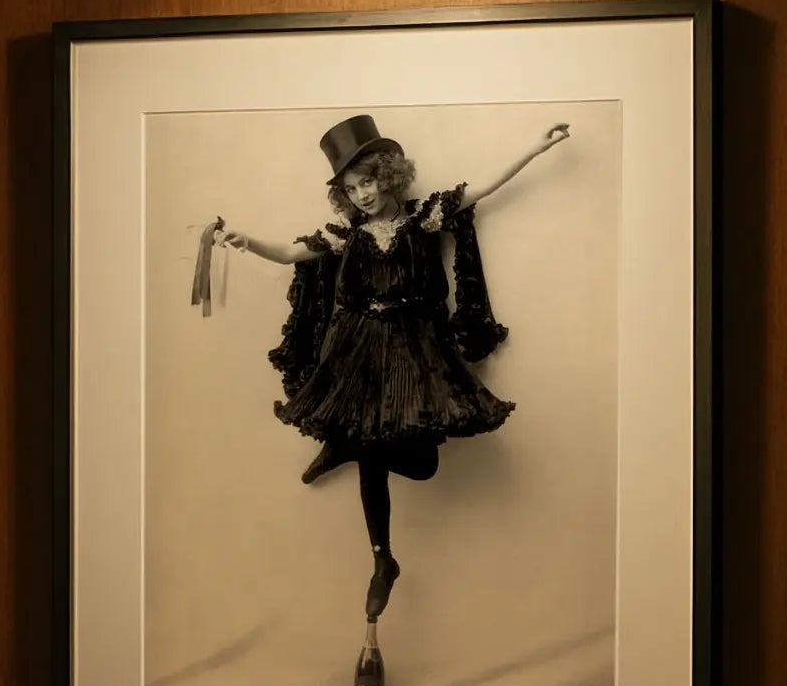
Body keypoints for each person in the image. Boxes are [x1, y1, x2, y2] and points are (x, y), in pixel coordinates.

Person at [217, 114, 571, 624]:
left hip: (414, 351)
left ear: (388, 175)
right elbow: (291, 253)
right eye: (350, 188)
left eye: (367, 181)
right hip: (358, 352)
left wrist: (535, 148)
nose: (361, 195)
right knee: (373, 451)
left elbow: (483, 188)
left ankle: (344, 445)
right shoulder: (346, 234)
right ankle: (382, 558)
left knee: (422, 464)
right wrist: (248, 242)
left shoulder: (424, 216)